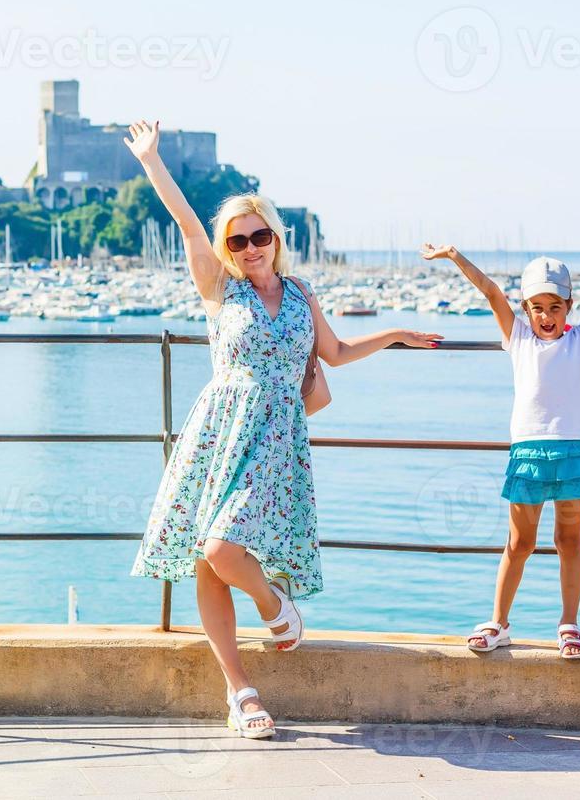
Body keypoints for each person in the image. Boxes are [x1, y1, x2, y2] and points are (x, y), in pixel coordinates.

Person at [125, 120, 443, 739]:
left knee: (222, 549)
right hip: (219, 435)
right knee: (207, 560)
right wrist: (152, 161)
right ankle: (241, 690)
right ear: (226, 249)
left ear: (275, 236)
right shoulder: (220, 289)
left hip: (276, 442)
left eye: (259, 236)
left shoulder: (299, 292)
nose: (250, 248)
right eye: (238, 241)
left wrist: (397, 334)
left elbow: (337, 350)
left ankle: (274, 606)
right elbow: (188, 224)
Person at [421, 234, 580, 659]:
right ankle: (498, 621)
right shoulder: (517, 338)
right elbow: (490, 291)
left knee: (569, 541)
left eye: (556, 306)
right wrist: (453, 255)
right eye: (538, 307)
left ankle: (569, 624)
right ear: (526, 310)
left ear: (569, 308)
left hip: (573, 454)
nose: (547, 315)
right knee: (518, 543)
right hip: (528, 454)